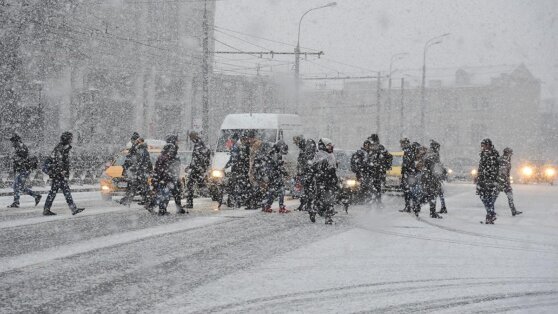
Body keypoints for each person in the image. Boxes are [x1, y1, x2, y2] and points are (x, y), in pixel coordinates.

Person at [43, 132, 84, 216]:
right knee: (58, 192)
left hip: (59, 174)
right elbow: (58, 161)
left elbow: (60, 161)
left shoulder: (62, 148)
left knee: (62, 192)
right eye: (70, 139)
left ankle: (73, 209)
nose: (71, 140)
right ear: (67, 139)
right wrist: (61, 171)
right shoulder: (60, 148)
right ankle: (72, 209)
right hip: (58, 175)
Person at [7, 134, 41, 208]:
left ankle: (16, 202)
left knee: (17, 186)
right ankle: (36, 196)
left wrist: (15, 159)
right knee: (19, 186)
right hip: (23, 169)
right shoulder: (18, 148)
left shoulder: (22, 148)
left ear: (17, 141)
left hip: (25, 169)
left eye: (13, 142)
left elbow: (23, 160)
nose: (12, 143)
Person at [310, 138, 338, 224]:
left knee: (330, 199)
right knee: (321, 198)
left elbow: (334, 168)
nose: (330, 147)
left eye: (330, 145)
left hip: (330, 181)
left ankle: (328, 217)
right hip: (322, 181)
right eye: (328, 145)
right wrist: (324, 171)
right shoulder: (319, 155)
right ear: (324, 146)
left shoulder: (331, 155)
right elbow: (314, 167)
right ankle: (314, 210)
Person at [261, 140, 290, 213]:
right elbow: (276, 166)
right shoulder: (275, 153)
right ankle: (281, 207)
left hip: (272, 174)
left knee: (273, 191)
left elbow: (274, 165)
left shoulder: (272, 151)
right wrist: (284, 171)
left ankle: (267, 205)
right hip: (274, 174)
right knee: (281, 190)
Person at [476, 138, 500, 224]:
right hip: (482, 179)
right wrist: (478, 175)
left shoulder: (494, 154)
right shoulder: (483, 154)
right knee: (483, 197)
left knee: (488, 198)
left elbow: (494, 168)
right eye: (482, 146)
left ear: (488, 145)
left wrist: (490, 178)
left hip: (490, 180)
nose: (482, 147)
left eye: (484, 145)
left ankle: (490, 215)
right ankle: (491, 213)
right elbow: (481, 166)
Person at [185, 131, 211, 209]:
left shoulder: (199, 144)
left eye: (191, 137)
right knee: (196, 184)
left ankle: (211, 192)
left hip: (197, 168)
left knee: (191, 184)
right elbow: (196, 158)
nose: (190, 139)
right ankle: (209, 192)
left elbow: (199, 157)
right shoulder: (199, 143)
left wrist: (200, 167)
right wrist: (190, 166)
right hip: (197, 168)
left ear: (193, 137)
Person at [367, 138, 393, 207]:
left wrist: (386, 166)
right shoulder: (370, 149)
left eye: (373, 144)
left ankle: (378, 201)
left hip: (379, 172)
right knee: (371, 187)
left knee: (377, 187)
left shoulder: (381, 149)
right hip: (371, 172)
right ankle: (372, 201)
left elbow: (389, 157)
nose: (372, 146)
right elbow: (367, 159)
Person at [423, 140, 446, 218]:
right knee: (433, 195)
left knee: (431, 194)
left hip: (429, 178)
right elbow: (436, 167)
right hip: (432, 178)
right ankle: (432, 212)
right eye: (438, 147)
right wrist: (442, 172)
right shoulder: (434, 156)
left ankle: (432, 211)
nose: (438, 149)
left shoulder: (429, 155)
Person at [498, 147, 522, 216]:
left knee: (508, 195)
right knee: (507, 195)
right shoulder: (503, 160)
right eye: (510, 153)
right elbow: (502, 172)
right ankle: (490, 211)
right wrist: (504, 180)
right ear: (507, 153)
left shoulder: (506, 159)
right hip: (502, 181)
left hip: (503, 181)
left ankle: (513, 210)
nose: (511, 154)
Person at [399, 138, 413, 213]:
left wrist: (405, 171)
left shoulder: (407, 151)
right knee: (407, 191)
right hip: (408, 173)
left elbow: (407, 163)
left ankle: (408, 207)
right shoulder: (408, 150)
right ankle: (408, 206)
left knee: (407, 191)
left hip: (408, 173)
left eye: (402, 143)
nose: (401, 145)